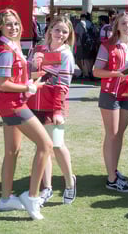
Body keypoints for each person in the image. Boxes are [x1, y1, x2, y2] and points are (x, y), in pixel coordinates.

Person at [0, 8, 53, 220]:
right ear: (0, 27)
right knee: (46, 145)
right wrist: (27, 88)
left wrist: (31, 78)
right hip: (13, 105)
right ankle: (32, 197)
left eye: (16, 23)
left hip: (10, 104)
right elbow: (3, 84)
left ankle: (5, 199)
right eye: (8, 24)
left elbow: (13, 76)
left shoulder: (10, 47)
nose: (13, 27)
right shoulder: (5, 50)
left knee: (12, 152)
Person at [28, 16, 77, 205]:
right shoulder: (38, 48)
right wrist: (33, 66)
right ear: (49, 30)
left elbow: (63, 85)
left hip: (53, 107)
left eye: (65, 31)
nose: (60, 34)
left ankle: (69, 182)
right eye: (57, 30)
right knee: (42, 147)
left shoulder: (66, 54)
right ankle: (46, 187)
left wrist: (58, 110)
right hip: (34, 105)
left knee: (57, 145)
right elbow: (29, 75)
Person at [93, 11, 128, 192]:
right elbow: (96, 71)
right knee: (112, 135)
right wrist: (117, 73)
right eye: (123, 23)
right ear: (117, 26)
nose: (127, 26)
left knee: (119, 135)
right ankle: (112, 179)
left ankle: (113, 170)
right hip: (110, 93)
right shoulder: (107, 46)